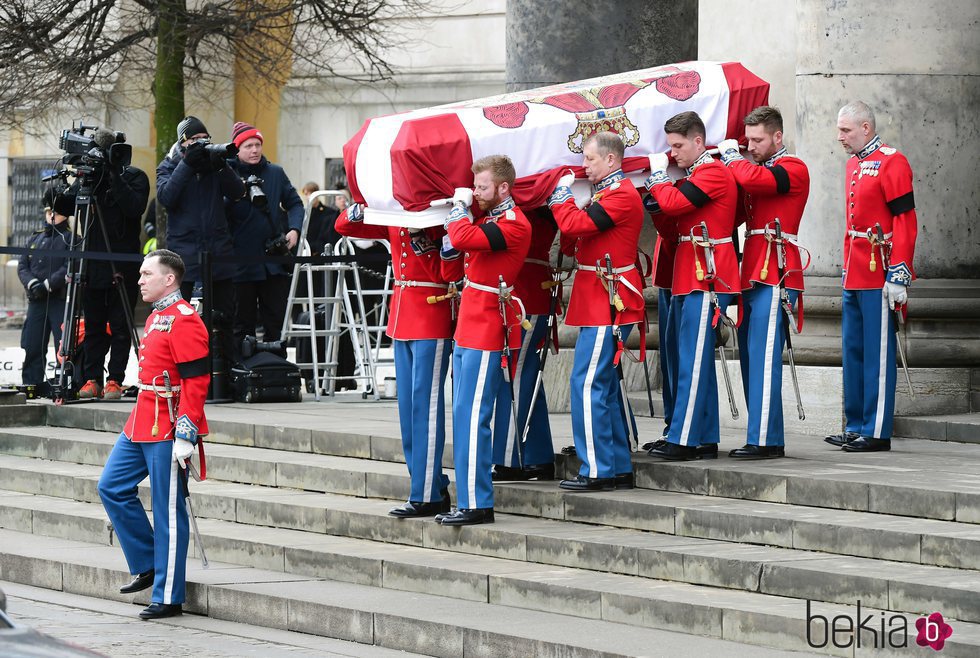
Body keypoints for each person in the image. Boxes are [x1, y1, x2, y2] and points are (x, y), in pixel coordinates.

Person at [97, 249, 210, 620]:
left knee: (167, 512)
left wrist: (187, 432)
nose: (140, 279)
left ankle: (168, 594)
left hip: (169, 423)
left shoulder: (185, 319)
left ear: (169, 279)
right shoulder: (161, 314)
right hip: (142, 417)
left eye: (147, 274)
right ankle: (147, 561)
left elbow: (196, 381)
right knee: (111, 485)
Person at [336, 201, 457, 518]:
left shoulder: (437, 219)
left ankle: (427, 492)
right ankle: (428, 484)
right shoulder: (394, 216)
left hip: (431, 314)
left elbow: (447, 272)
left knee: (425, 408)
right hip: (402, 318)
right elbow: (345, 226)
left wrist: (421, 236)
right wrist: (365, 204)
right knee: (408, 411)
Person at [549, 131, 645, 490]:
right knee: (601, 387)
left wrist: (561, 197)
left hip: (610, 300)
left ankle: (597, 469)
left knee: (587, 384)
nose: (583, 165)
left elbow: (573, 225)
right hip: (599, 298)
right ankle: (615, 464)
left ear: (611, 160)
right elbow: (576, 242)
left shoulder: (620, 194)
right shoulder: (605, 193)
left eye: (589, 159)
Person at [437, 155, 530, 524]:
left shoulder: (514, 224)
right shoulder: (489, 219)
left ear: (504, 188)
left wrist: (458, 209)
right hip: (469, 327)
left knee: (475, 417)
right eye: (474, 186)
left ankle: (478, 503)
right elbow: (456, 252)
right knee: (464, 417)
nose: (475, 192)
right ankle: (468, 499)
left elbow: (462, 236)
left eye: (482, 186)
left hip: (489, 329)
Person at [717, 106, 810, 458]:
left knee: (765, 356)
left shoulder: (793, 168)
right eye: (747, 140)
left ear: (777, 137)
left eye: (757, 139)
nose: (750, 146)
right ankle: (760, 433)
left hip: (777, 270)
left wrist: (730, 158)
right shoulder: (756, 169)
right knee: (751, 357)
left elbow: (757, 182)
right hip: (753, 271)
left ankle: (766, 439)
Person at [646, 111, 740, 461]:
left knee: (692, 360)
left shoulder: (713, 171)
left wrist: (657, 179)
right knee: (690, 356)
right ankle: (700, 435)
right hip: (691, 274)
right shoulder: (695, 174)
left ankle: (684, 439)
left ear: (699, 141)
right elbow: (672, 225)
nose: (673, 153)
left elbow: (673, 203)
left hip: (707, 276)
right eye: (670, 146)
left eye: (678, 145)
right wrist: (656, 204)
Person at [825, 101, 918, 453]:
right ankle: (856, 424)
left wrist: (899, 273)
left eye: (846, 130)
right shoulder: (853, 164)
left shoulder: (893, 161)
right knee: (854, 351)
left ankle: (877, 430)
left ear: (866, 128)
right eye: (839, 130)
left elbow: (905, 220)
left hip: (880, 270)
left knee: (877, 354)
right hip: (855, 269)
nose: (840, 137)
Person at [156, 116, 244, 374]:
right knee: (179, 313)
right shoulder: (170, 165)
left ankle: (227, 369)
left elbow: (237, 191)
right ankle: (179, 367)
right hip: (184, 252)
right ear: (183, 142)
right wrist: (187, 164)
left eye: (204, 139)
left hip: (218, 248)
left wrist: (220, 166)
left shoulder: (214, 166)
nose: (201, 143)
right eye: (195, 139)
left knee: (226, 313)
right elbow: (166, 197)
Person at [76, 129, 150, 399]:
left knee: (120, 327)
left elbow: (134, 207)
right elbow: (67, 204)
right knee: (94, 326)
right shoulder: (91, 180)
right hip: (93, 263)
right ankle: (92, 378)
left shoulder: (135, 177)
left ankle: (115, 380)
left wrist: (112, 174)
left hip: (123, 263)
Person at [491, 207, 558, 482]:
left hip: (526, 295)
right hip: (518, 293)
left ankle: (511, 458)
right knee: (526, 376)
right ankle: (538, 455)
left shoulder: (532, 206)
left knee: (516, 374)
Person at [226, 122, 304, 350]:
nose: (254, 150)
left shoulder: (276, 173)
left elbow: (295, 204)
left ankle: (276, 375)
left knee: (276, 323)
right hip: (240, 264)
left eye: (257, 144)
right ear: (237, 149)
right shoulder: (227, 175)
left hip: (273, 262)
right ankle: (244, 377)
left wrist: (294, 229)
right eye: (248, 145)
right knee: (242, 325)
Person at [19, 188, 72, 386]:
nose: (51, 216)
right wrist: (33, 284)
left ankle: (62, 385)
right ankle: (31, 384)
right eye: (48, 212)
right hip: (37, 300)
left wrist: (48, 285)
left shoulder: (69, 238)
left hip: (57, 299)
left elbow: (68, 266)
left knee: (62, 345)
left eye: (55, 213)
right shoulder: (36, 238)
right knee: (32, 344)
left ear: (64, 215)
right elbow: (23, 265)